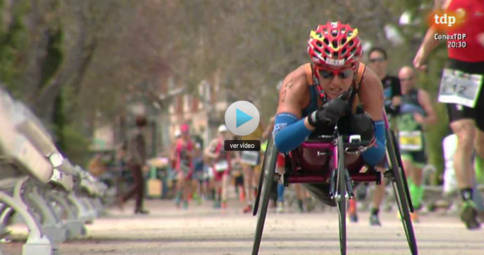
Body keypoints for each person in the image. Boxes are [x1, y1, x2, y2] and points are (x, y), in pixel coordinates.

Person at [273, 22, 385, 211]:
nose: (335, 83)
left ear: (354, 68)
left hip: (353, 161)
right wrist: (314, 118)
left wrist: (368, 137)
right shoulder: (297, 83)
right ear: (316, 69)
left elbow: (380, 157)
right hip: (309, 161)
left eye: (344, 74)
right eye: (326, 74)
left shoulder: (368, 82)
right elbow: (281, 143)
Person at [413, 0, 484, 229]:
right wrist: (424, 51)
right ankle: (467, 201)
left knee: (481, 145)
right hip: (458, 72)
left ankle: (477, 189)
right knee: (464, 137)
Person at [349, 47, 403, 226]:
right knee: (355, 166)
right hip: (362, 128)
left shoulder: (393, 82)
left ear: (386, 61)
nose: (377, 64)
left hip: (382, 129)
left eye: (380, 60)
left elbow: (396, 106)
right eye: (373, 60)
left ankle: (374, 211)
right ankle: (353, 205)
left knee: (381, 171)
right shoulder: (363, 80)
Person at [396, 66, 437, 221]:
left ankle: (414, 205)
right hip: (402, 140)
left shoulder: (421, 95)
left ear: (414, 79)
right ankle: (404, 206)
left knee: (418, 176)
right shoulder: (395, 97)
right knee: (405, 170)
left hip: (418, 140)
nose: (406, 82)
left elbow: (433, 117)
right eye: (402, 79)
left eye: (409, 78)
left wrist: (424, 120)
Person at [119, 115, 149, 214]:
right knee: (139, 184)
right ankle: (123, 199)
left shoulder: (133, 133)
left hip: (133, 161)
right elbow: (136, 150)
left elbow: (125, 146)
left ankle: (138, 206)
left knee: (140, 185)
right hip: (135, 162)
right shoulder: (138, 134)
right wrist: (141, 162)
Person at [204, 125, 236, 209]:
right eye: (222, 133)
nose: (223, 134)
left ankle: (224, 201)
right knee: (217, 185)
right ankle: (217, 199)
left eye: (224, 132)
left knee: (225, 184)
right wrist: (214, 155)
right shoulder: (215, 142)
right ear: (219, 133)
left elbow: (235, 153)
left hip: (226, 166)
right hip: (217, 166)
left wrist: (237, 160)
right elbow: (206, 151)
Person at [240, 119, 264, 213]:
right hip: (246, 151)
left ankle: (257, 199)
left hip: (257, 151)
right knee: (247, 178)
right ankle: (249, 203)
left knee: (257, 179)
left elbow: (266, 134)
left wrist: (261, 139)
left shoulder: (259, 121)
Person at [172, 124, 194, 209]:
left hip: (188, 164)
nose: (185, 134)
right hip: (180, 163)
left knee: (186, 183)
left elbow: (194, 153)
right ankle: (178, 195)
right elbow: (173, 151)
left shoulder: (190, 143)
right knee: (181, 180)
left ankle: (185, 200)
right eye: (183, 132)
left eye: (186, 132)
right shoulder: (178, 142)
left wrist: (189, 154)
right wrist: (173, 157)